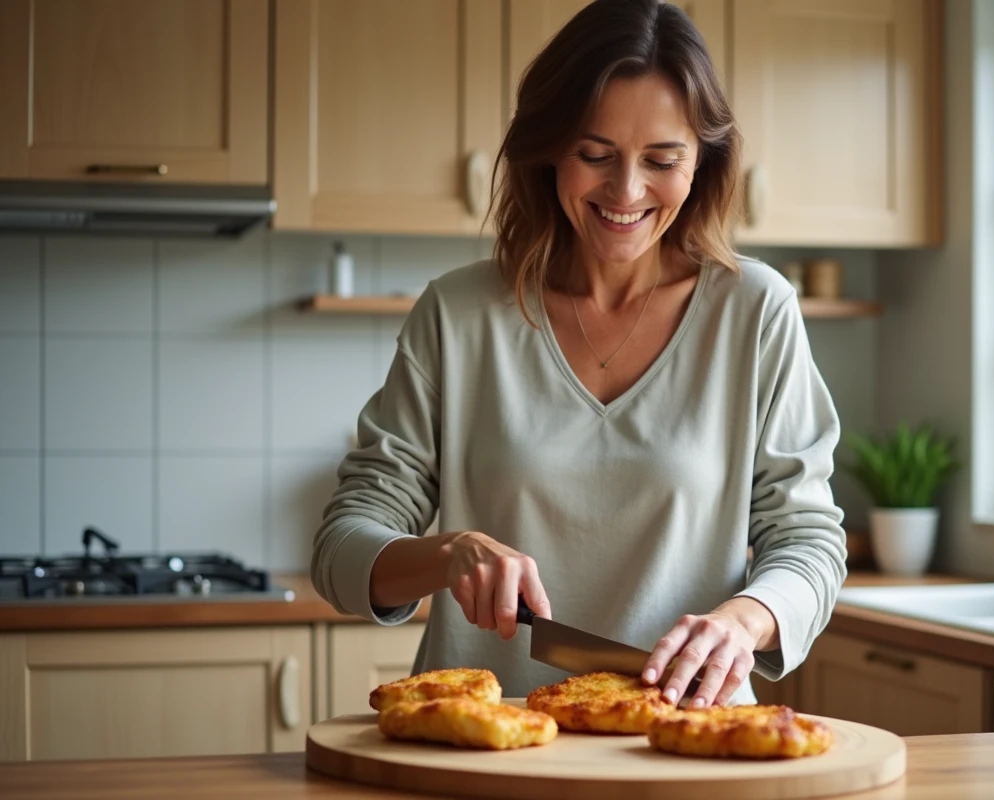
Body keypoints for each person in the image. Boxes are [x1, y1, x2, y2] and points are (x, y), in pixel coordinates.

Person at [311, 0, 847, 709]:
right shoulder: (458, 314)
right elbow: (340, 546)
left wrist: (743, 622)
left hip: (686, 743)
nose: (626, 192)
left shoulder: (755, 311)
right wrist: (448, 555)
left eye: (662, 160)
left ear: (703, 163)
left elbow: (808, 540)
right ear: (548, 150)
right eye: (595, 155)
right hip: (483, 746)